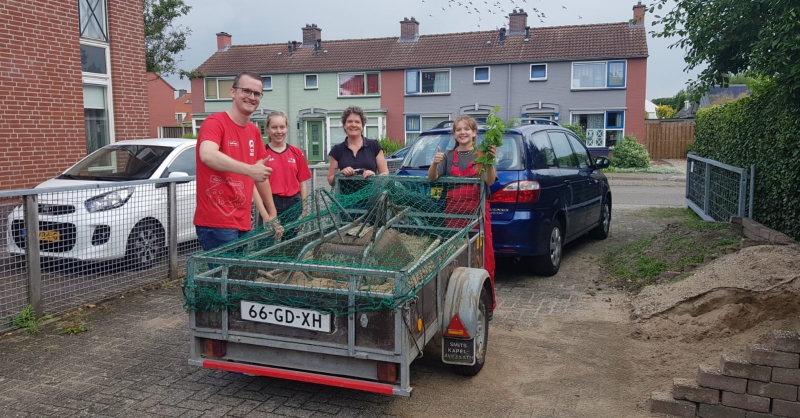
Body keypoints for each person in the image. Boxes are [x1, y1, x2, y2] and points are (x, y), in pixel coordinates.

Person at [194, 71, 280, 251]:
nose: (251, 97)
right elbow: (207, 155)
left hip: (242, 219)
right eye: (246, 91)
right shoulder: (214, 122)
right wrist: (249, 170)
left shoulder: (253, 131)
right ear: (233, 92)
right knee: (225, 276)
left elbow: (260, 175)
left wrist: (271, 213)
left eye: (257, 94)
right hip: (217, 221)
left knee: (238, 274)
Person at [427, 115, 497, 310]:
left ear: (474, 133)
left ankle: (486, 306)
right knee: (455, 260)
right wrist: (435, 162)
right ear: (455, 134)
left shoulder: (483, 154)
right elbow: (432, 178)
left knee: (482, 259)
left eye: (467, 129)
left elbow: (490, 181)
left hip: (478, 217)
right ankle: (455, 305)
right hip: (454, 216)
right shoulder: (448, 156)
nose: (463, 132)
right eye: (459, 129)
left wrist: (490, 161)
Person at [253, 111, 311, 226]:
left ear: (287, 129)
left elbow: (302, 184)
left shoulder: (296, 152)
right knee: (266, 242)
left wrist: (304, 210)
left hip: (294, 204)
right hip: (270, 203)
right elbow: (254, 184)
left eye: (282, 127)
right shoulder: (261, 153)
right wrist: (265, 213)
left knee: (291, 242)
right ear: (268, 129)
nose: (279, 131)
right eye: (274, 127)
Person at [326, 106, 389, 193]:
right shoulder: (337, 150)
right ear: (344, 125)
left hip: (372, 200)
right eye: (349, 121)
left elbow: (385, 173)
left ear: (362, 126)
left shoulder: (374, 146)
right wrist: (341, 173)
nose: (353, 125)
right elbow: (330, 179)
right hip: (343, 202)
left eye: (357, 122)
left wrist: (375, 176)